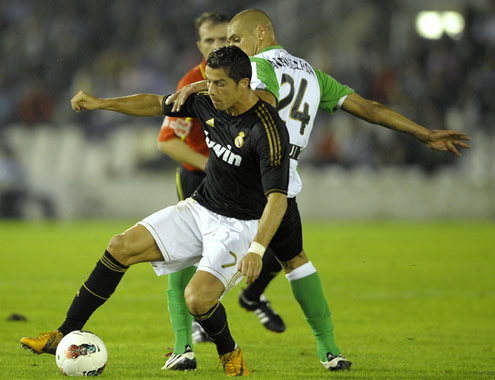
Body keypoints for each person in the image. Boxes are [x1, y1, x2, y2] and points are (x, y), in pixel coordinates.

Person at [166, 8, 472, 372]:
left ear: (260, 34)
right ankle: (329, 349)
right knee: (296, 262)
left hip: (246, 180)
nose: (233, 48)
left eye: (235, 39)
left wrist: (202, 86)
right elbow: (368, 108)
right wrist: (423, 133)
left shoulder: (257, 67)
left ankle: (189, 341)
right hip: (284, 183)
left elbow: (257, 103)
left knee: (186, 250)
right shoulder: (310, 73)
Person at [20, 46, 291, 377]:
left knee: (197, 300)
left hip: (242, 226)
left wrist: (258, 250)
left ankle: (229, 352)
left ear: (244, 83)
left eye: (220, 84)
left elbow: (278, 198)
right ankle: (61, 335)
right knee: (120, 246)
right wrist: (102, 103)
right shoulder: (207, 100)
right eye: (208, 82)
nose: (211, 90)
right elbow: (154, 103)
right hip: (200, 207)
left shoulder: (268, 128)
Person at [157, 11, 287, 372]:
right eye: (210, 41)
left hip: (239, 181)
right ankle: (184, 344)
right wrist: (215, 165)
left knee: (277, 246)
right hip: (200, 180)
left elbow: (268, 104)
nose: (218, 46)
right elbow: (166, 140)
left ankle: (248, 299)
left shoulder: (243, 76)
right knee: (180, 264)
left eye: (225, 40)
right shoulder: (189, 82)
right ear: (199, 46)